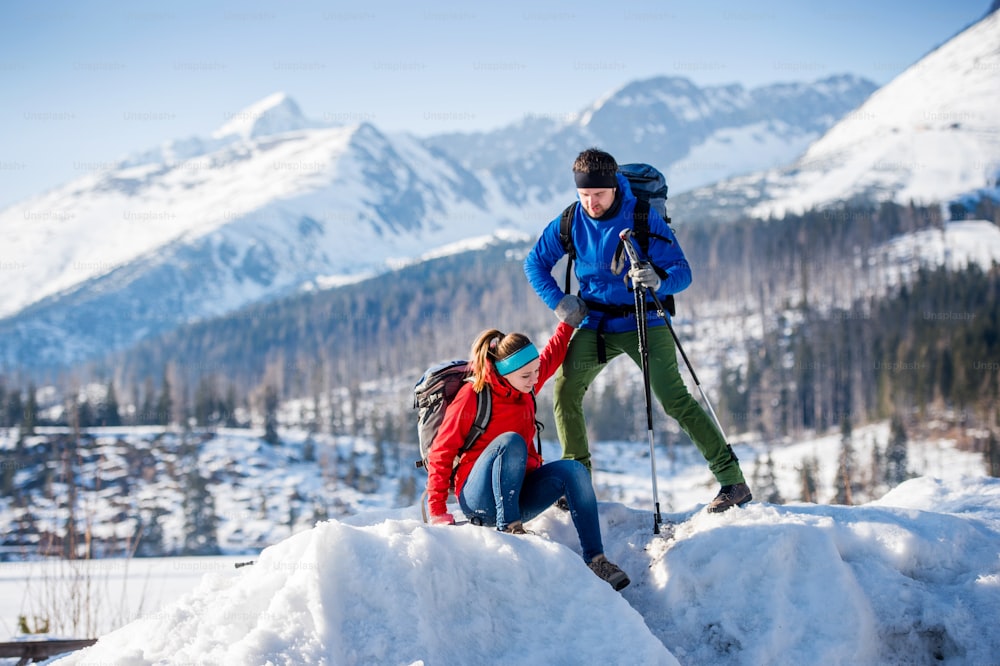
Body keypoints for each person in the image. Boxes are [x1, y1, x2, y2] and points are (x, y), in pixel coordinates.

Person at [523, 147, 752, 513]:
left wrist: (659, 279)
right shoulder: (570, 220)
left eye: (598, 194)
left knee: (673, 398)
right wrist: (559, 302)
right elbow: (534, 263)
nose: (591, 203)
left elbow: (683, 271)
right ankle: (577, 483)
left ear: (614, 186)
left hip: (644, 320)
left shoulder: (642, 216)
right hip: (594, 322)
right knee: (566, 392)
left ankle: (732, 481)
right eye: (584, 195)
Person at [425, 315, 630, 591]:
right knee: (510, 442)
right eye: (527, 375)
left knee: (574, 470)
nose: (535, 379)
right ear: (504, 371)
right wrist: (437, 509)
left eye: (536, 373)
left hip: (518, 493)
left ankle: (596, 558)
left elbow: (551, 356)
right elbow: (442, 451)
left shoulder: (524, 384)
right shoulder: (473, 395)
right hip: (478, 499)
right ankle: (509, 529)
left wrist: (568, 323)